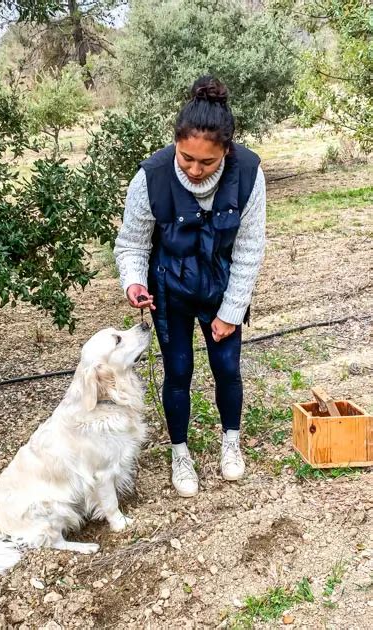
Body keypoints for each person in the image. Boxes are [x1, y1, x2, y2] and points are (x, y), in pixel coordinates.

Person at [114, 75, 266, 497]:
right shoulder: (151, 177)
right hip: (170, 290)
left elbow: (250, 250)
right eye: (186, 159)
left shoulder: (250, 174)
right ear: (175, 144)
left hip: (220, 288)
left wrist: (231, 313)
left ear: (227, 151)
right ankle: (180, 454)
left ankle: (230, 444)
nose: (195, 170)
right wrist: (133, 283)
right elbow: (132, 243)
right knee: (178, 371)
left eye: (207, 162)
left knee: (227, 369)